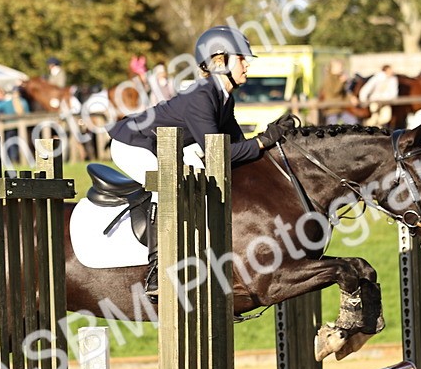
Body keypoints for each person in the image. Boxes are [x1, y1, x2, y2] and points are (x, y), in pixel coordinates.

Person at [107, 25, 297, 296]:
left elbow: (234, 148)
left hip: (167, 147)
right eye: (242, 58)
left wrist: (270, 139)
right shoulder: (202, 95)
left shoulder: (224, 97)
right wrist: (261, 141)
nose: (247, 65)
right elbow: (217, 154)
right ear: (220, 62)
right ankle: (157, 271)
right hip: (132, 145)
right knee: (169, 186)